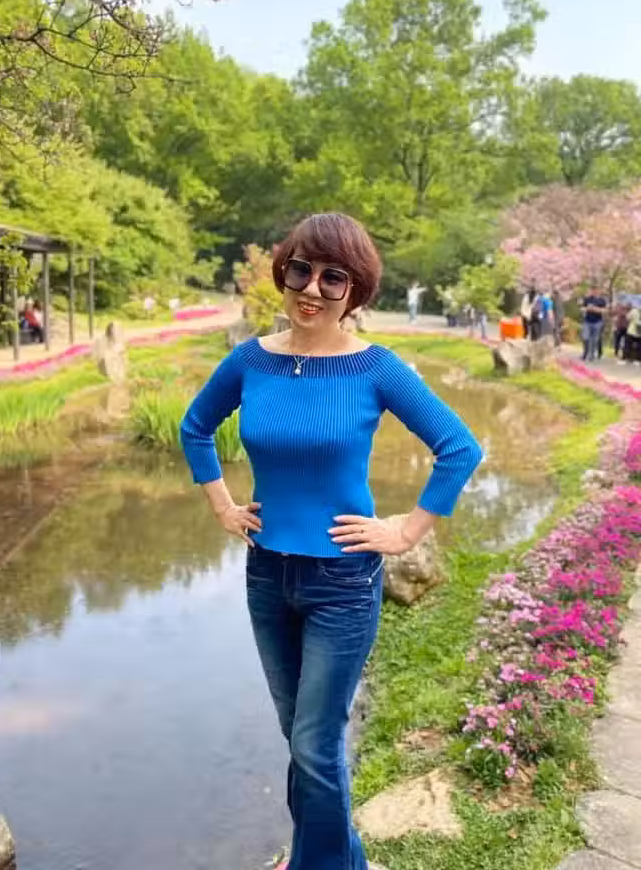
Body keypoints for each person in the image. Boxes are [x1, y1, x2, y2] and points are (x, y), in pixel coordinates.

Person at [180, 213, 483, 870]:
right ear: (283, 273)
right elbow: (194, 428)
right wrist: (223, 506)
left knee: (315, 746)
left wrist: (405, 530)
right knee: (299, 739)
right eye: (301, 270)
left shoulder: (377, 368)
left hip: (343, 581)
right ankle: (332, 859)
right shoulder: (251, 360)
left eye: (333, 278)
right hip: (268, 574)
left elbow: (460, 448)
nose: (312, 289)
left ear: (355, 291)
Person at [579, 286, 607, 362]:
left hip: (597, 322)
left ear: (599, 291)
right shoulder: (587, 299)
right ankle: (585, 352)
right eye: (593, 290)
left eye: (596, 290)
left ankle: (591, 355)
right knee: (585, 337)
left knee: (595, 340)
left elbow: (604, 311)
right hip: (587, 321)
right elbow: (582, 308)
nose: (594, 292)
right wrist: (587, 309)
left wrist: (594, 309)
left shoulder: (602, 300)